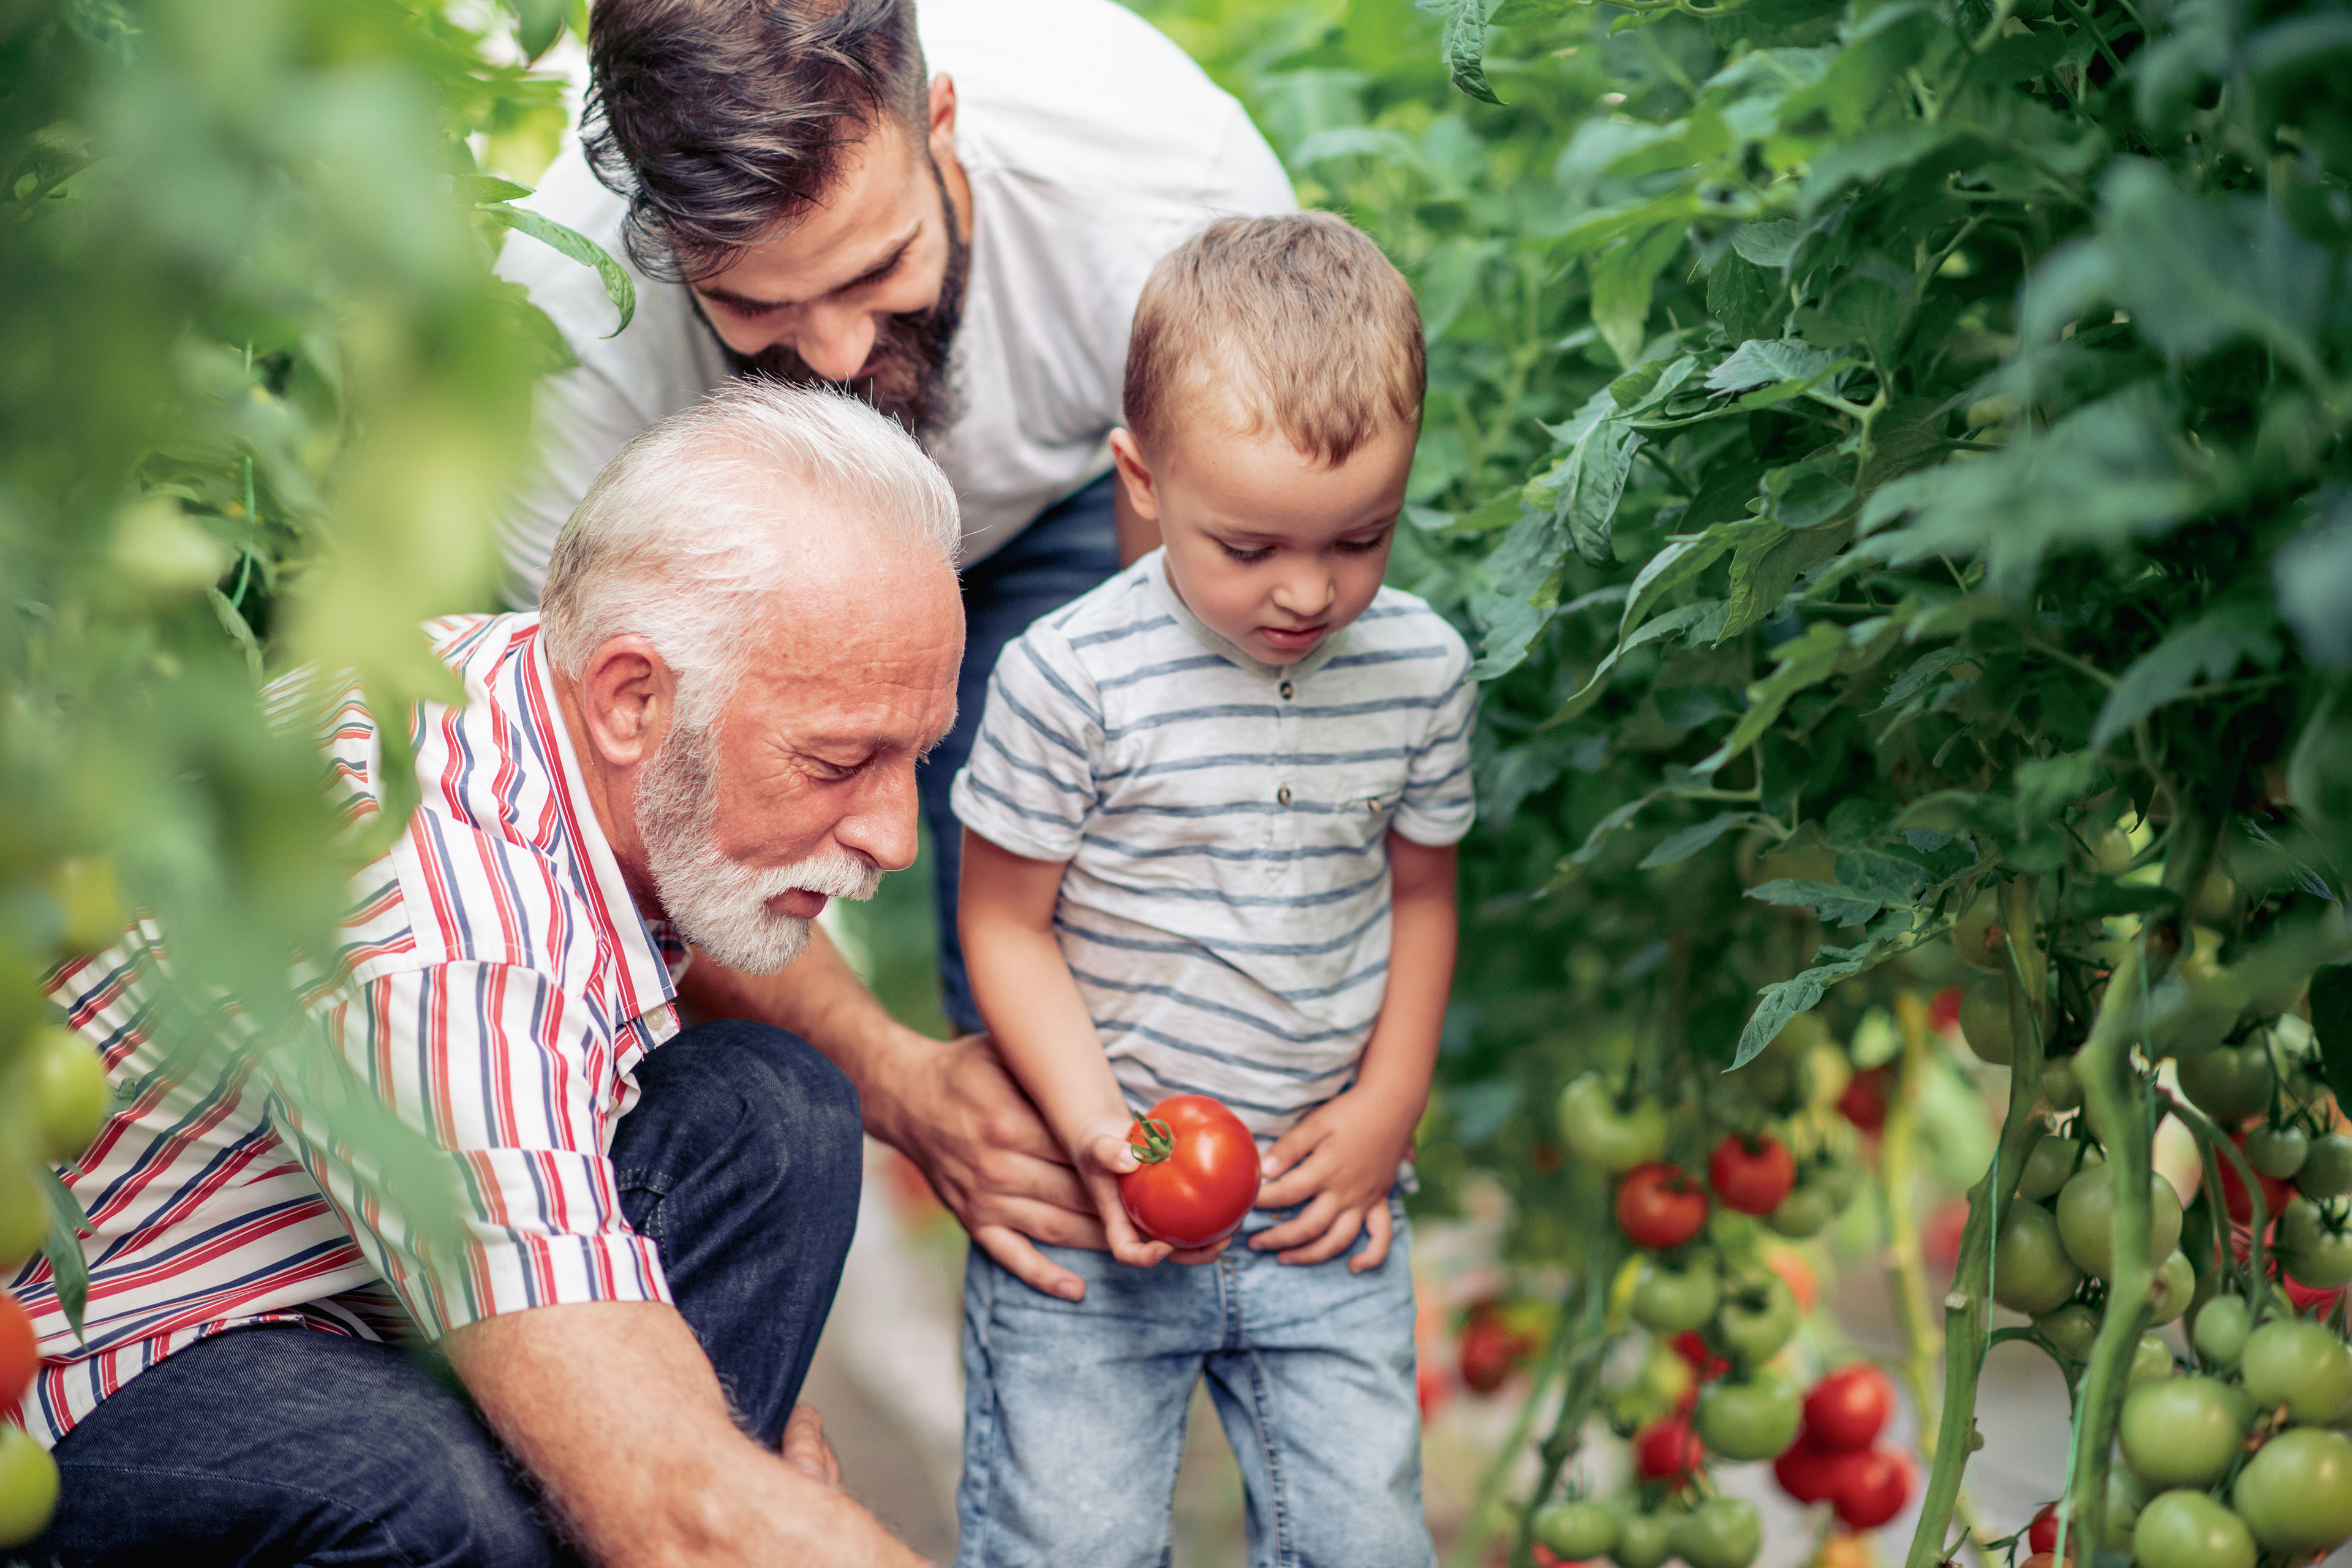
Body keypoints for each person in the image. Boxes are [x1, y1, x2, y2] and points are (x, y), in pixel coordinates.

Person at [18, 385, 972, 1565]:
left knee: (774, 1111)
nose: (892, 835)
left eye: (911, 758)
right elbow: (683, 1509)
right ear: (635, 699)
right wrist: (728, 1511)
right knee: (424, 1499)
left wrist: (733, 1497)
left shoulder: (536, 689)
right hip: (117, 1353)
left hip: (340, 1272)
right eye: (838, 761)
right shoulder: (443, 937)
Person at [496, 0, 1297, 1041]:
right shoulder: (563, 329)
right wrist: (898, 1081)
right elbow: (617, 800)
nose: (832, 355)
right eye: (754, 306)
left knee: (1097, 919)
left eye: (878, 269)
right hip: (747, 579)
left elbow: (1197, 664)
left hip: (1067, 514)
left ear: (942, 123)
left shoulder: (1174, 201)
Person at [948, 214, 1476, 1568]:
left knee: (1368, 1540)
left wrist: (1386, 1106)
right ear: (1140, 480)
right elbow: (1003, 924)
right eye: (1247, 547)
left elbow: (1423, 897)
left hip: (1324, 1207)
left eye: (1363, 537)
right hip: (1096, 1223)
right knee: (1071, 1541)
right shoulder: (1069, 678)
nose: (1308, 589)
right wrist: (1094, 1133)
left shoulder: (1419, 671)